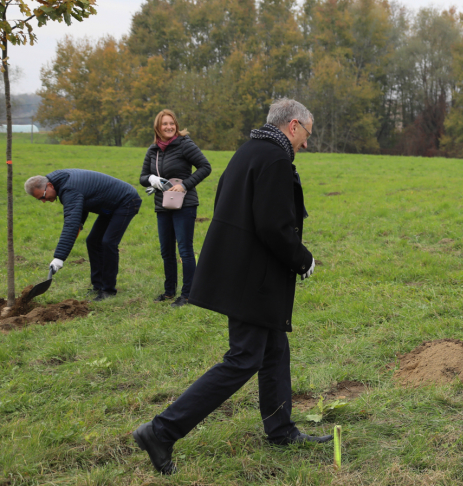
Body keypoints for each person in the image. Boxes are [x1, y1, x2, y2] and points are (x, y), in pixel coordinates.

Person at [132, 98, 327, 475]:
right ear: (293, 126)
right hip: (251, 279)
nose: (306, 143)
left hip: (245, 272)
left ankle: (281, 428)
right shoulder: (273, 159)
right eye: (306, 134)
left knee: (274, 350)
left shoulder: (250, 150)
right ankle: (161, 430)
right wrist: (303, 259)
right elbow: (273, 225)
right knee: (244, 358)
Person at [24, 170, 142, 302]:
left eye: (43, 196)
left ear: (50, 185)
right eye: (40, 199)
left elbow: (70, 224)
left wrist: (59, 257)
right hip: (110, 205)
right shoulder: (62, 183)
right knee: (93, 241)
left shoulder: (68, 188)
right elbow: (83, 201)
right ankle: (98, 286)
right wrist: (79, 223)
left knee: (108, 243)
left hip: (126, 201)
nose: (44, 201)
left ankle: (108, 290)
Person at [139, 109, 212, 307]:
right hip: (162, 205)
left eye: (172, 123)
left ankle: (188, 294)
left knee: (185, 250)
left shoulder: (185, 145)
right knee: (166, 251)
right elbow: (142, 177)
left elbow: (205, 167)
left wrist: (185, 184)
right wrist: (152, 179)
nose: (169, 127)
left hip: (184, 204)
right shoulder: (153, 150)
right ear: (158, 127)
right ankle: (169, 291)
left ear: (176, 126)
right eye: (165, 124)